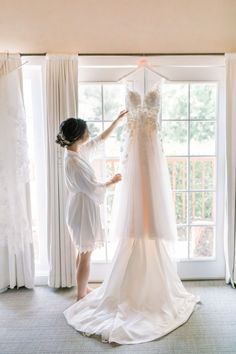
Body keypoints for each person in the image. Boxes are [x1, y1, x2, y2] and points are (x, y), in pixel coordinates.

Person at [55, 110, 128, 301]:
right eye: (86, 131)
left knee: (83, 250)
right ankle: (80, 296)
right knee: (86, 253)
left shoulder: (75, 151)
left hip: (81, 207)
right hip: (81, 210)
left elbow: (98, 140)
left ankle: (83, 288)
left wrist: (116, 121)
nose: (89, 133)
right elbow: (92, 187)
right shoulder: (74, 162)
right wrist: (112, 181)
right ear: (78, 137)